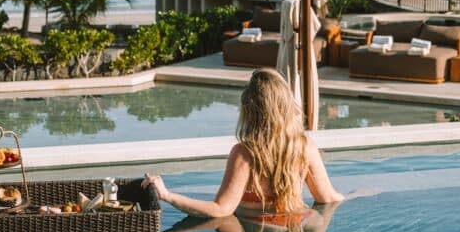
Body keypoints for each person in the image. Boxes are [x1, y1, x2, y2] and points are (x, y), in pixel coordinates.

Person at [142, 67, 344, 217]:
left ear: (250, 112)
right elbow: (327, 199)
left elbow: (221, 210)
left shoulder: (245, 153)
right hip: (297, 225)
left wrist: (168, 195)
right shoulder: (304, 147)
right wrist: (361, 194)